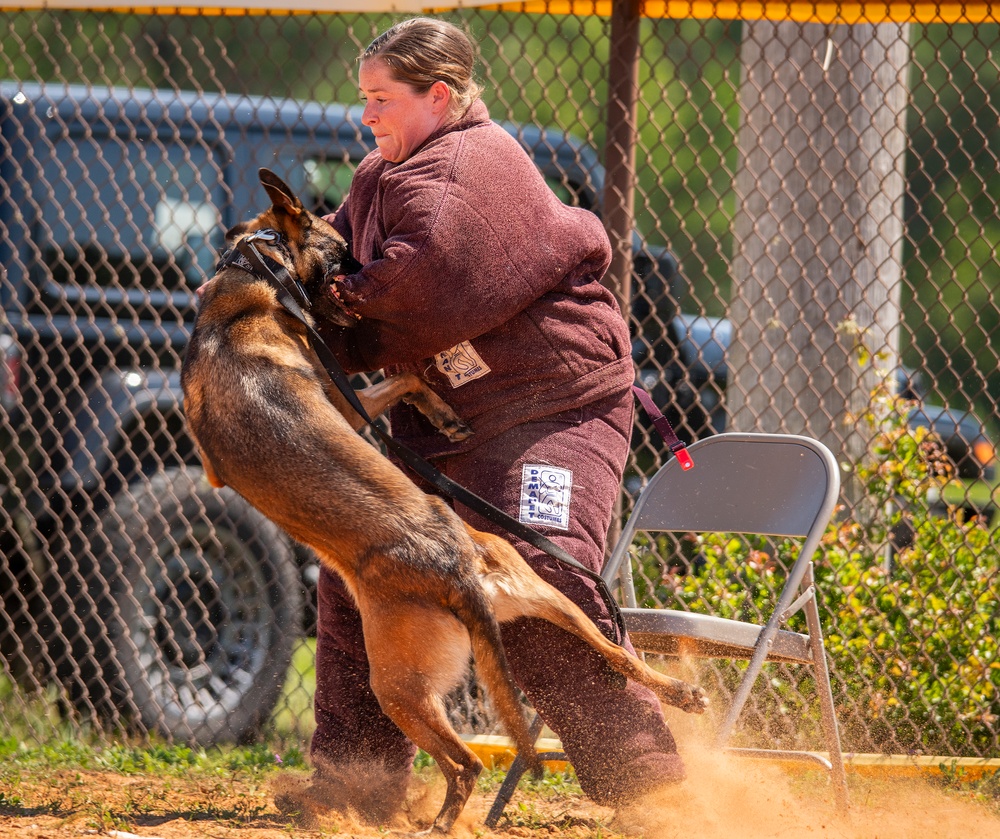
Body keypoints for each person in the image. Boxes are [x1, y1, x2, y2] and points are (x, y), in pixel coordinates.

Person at [308, 16, 685, 821]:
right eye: (363, 98)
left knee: (533, 577)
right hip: (446, 418)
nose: (365, 116)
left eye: (381, 99)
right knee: (359, 562)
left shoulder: (471, 167)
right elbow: (332, 248)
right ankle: (357, 783)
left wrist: (329, 307)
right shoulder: (383, 173)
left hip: (555, 405)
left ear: (437, 97)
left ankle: (650, 786)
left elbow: (421, 287)